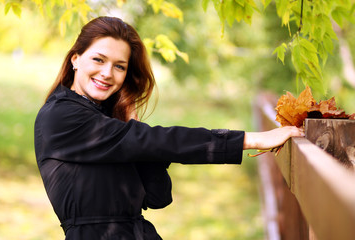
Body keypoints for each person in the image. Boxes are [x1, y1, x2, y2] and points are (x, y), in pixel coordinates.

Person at [34, 16, 304, 240]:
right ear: (75, 59)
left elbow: (158, 195)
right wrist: (252, 140)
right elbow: (159, 140)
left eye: (120, 66)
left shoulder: (108, 122)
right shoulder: (61, 117)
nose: (107, 73)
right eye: (98, 60)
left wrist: (131, 125)